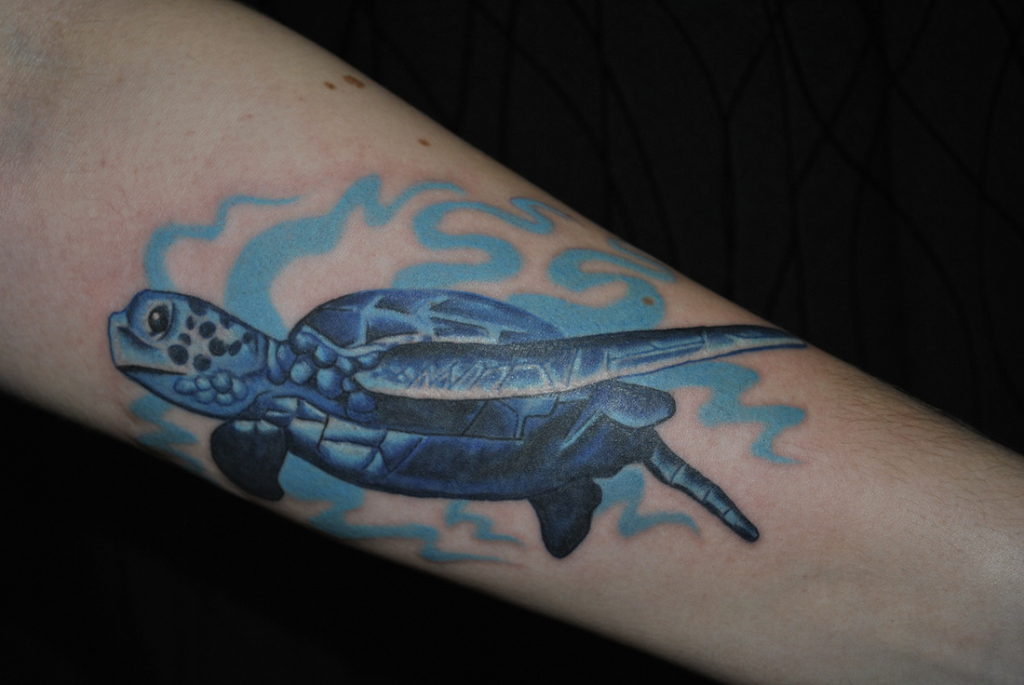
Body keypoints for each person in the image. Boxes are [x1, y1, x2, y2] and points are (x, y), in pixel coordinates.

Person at [1, 1, 1021, 683]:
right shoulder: (255, 433)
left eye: (166, 320)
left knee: (607, 405)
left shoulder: (337, 352)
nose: (145, 329)